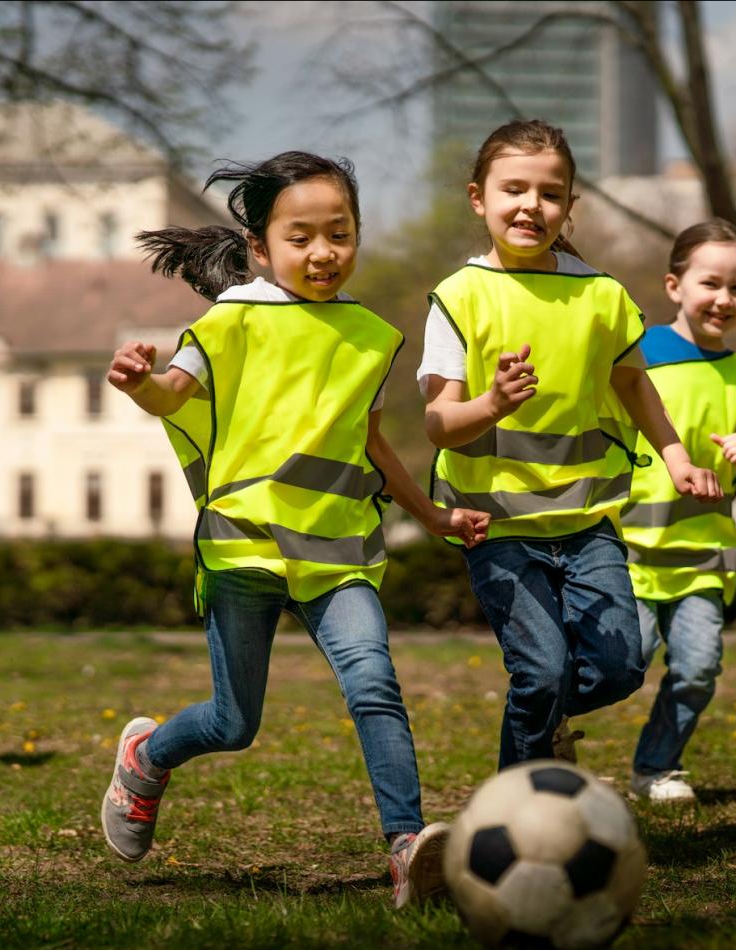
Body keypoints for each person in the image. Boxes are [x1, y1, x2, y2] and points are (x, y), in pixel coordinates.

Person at [100, 151, 490, 907]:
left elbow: (374, 446)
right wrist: (140, 381)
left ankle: (407, 848)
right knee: (233, 723)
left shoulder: (371, 337)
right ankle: (147, 755)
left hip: (340, 554)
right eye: (302, 236)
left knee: (375, 684)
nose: (323, 253)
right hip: (244, 547)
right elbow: (176, 394)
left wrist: (435, 516)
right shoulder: (231, 321)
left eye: (339, 234)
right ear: (261, 248)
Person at [417, 120, 722, 769]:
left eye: (550, 193)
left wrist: (676, 456)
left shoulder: (603, 296)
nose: (532, 205)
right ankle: (515, 805)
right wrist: (491, 404)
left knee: (621, 669)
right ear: (479, 198)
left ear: (570, 206)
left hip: (587, 525)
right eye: (514, 189)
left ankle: (540, 719)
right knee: (544, 672)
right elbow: (438, 423)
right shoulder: (459, 296)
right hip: (496, 528)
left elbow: (635, 387)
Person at [606, 219, 736, 803]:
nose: (725, 299)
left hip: (704, 560)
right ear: (674, 285)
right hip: (629, 553)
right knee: (619, 666)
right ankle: (550, 730)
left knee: (699, 669)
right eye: (712, 283)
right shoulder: (637, 357)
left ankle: (657, 769)